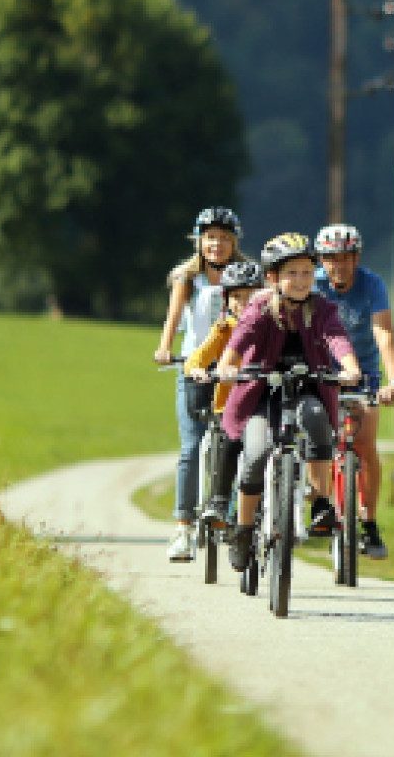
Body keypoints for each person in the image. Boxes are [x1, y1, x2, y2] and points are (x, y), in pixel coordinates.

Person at [214, 231, 360, 575]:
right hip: (260, 392)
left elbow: (336, 338)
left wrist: (350, 368)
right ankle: (244, 530)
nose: (300, 280)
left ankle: (321, 502)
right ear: (272, 277)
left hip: (307, 386)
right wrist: (227, 366)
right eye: (291, 273)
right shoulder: (260, 307)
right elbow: (239, 341)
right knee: (256, 453)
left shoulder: (321, 308)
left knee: (317, 419)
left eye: (307, 272)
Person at [153, 206, 240, 562]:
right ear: (199, 241)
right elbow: (173, 317)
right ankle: (183, 527)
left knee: (236, 443)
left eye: (223, 238)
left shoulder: (245, 276)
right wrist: (164, 348)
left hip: (233, 369)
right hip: (194, 367)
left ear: (234, 242)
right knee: (191, 447)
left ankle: (231, 516)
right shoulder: (187, 278)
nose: (216, 244)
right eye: (210, 238)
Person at [312, 223, 394, 560]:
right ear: (322, 260)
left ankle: (370, 522)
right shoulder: (312, 284)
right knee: (317, 440)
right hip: (321, 371)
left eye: (346, 257)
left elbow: (383, 334)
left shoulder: (372, 284)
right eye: (331, 258)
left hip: (363, 373)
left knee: (364, 444)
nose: (339, 265)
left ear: (356, 258)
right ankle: (320, 503)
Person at [185, 257, 264, 530]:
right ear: (226, 300)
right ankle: (219, 500)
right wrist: (198, 370)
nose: (243, 303)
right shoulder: (223, 328)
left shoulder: (271, 326)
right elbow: (198, 357)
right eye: (237, 297)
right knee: (229, 440)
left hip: (262, 404)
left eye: (250, 296)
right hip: (228, 405)